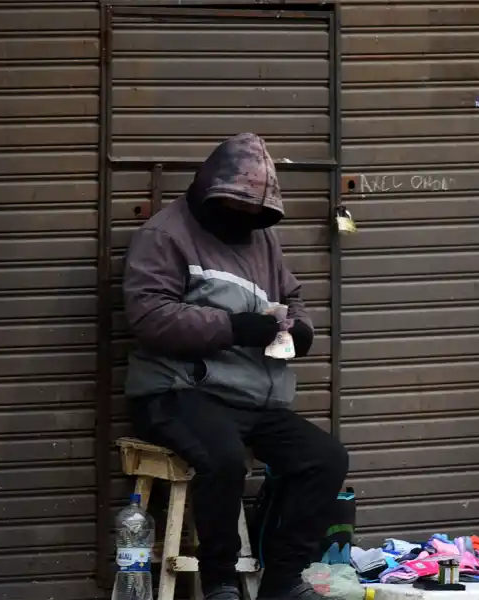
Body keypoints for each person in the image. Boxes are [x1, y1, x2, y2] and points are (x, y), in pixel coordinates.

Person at [122, 132, 349, 600]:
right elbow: (149, 317)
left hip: (249, 397)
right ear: (210, 194)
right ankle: (220, 582)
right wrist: (234, 327)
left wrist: (300, 329)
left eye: (253, 212)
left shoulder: (262, 238)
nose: (244, 220)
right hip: (177, 392)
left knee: (325, 458)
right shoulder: (164, 235)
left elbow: (292, 296)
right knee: (223, 458)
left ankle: (283, 580)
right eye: (236, 208)